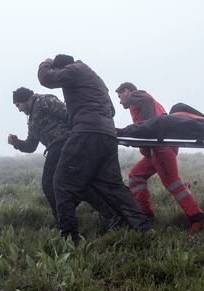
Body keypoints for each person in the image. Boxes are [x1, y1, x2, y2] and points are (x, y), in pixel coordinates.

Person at [37, 55, 152, 242]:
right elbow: (112, 111)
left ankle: (69, 238)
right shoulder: (96, 80)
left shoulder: (75, 69)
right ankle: (144, 228)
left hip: (86, 133)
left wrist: (46, 63)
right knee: (113, 186)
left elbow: (46, 78)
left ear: (63, 67)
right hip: (106, 135)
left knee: (61, 182)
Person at [8, 87, 122, 231]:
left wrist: (82, 138)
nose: (18, 109)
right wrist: (17, 143)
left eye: (18, 105)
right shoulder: (31, 120)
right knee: (77, 184)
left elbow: (69, 115)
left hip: (65, 143)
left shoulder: (45, 100)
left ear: (25, 99)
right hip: (56, 147)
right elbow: (31, 146)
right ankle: (109, 215)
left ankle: (64, 224)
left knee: (49, 183)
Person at [115, 82, 204, 234]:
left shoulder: (137, 97)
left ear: (127, 91)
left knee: (172, 182)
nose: (120, 101)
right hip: (157, 148)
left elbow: (148, 126)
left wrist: (122, 133)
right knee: (136, 176)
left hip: (160, 148)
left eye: (120, 96)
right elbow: (147, 127)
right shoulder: (145, 102)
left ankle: (198, 218)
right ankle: (145, 213)